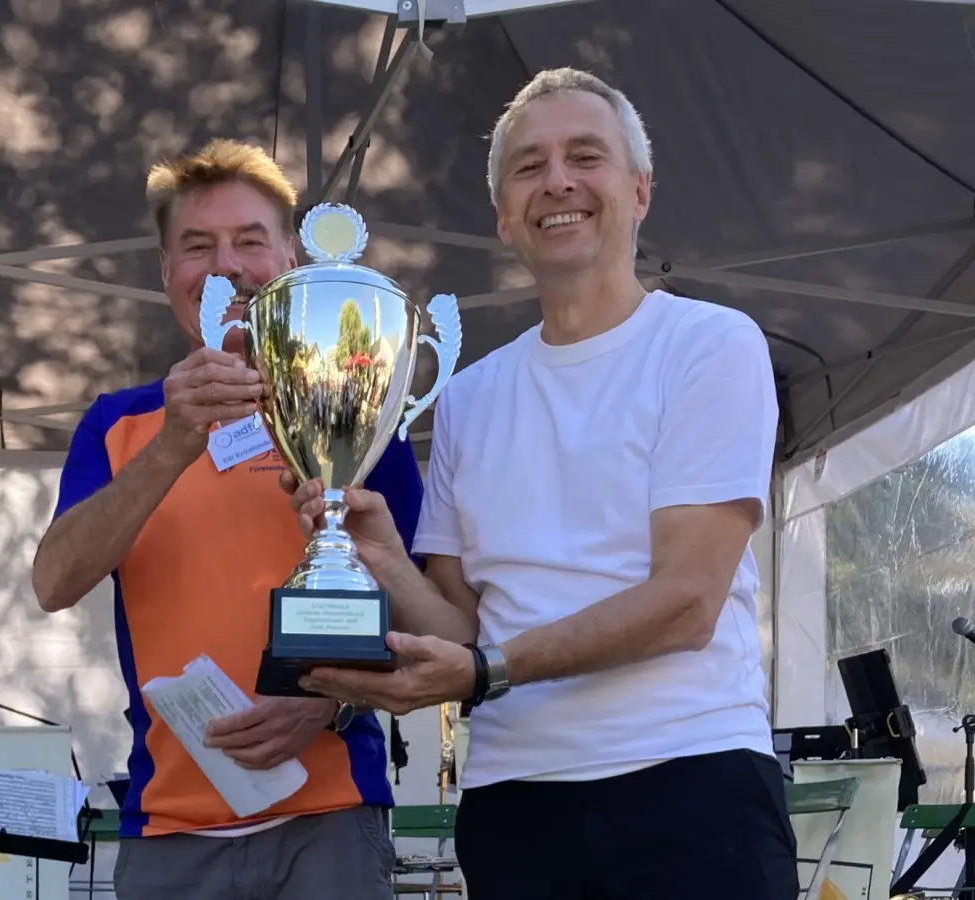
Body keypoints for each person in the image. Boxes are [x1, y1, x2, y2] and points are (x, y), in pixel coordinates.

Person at [284, 68, 800, 898]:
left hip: (688, 780)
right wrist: (380, 558)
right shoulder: (470, 396)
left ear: (640, 190)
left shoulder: (710, 346)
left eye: (584, 156)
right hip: (514, 804)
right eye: (528, 166)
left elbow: (688, 601)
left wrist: (485, 672)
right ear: (503, 216)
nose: (557, 181)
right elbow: (460, 622)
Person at [32, 138, 423, 899]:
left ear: (289, 259)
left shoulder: (364, 410)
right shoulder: (118, 426)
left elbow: (433, 615)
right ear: (165, 271)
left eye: (250, 240)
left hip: (332, 819)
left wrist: (331, 698)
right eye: (197, 245)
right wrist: (171, 445)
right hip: (172, 831)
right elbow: (53, 582)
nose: (227, 265)